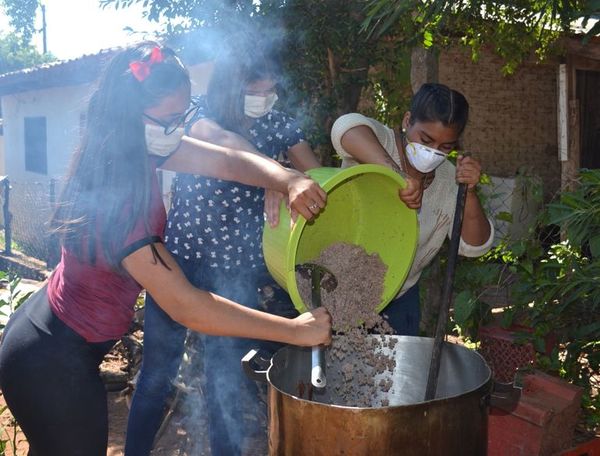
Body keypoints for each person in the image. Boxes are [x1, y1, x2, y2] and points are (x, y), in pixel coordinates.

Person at [0, 42, 331, 456]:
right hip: (50, 361)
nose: (179, 128)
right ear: (130, 115)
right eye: (171, 119)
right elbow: (187, 306)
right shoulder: (119, 198)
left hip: (46, 334)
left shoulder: (133, 146)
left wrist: (285, 179)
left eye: (183, 116)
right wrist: (294, 331)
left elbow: (227, 161)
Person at [125, 46, 321, 455]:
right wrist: (275, 173)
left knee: (226, 379)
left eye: (271, 90)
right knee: (156, 374)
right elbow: (226, 147)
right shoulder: (195, 116)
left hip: (238, 270)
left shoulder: (281, 125)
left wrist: (291, 179)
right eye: (256, 89)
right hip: (180, 262)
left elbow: (315, 174)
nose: (264, 99)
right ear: (234, 86)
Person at [330, 82, 494, 336]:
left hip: (399, 300)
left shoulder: (451, 181)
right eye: (425, 140)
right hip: (338, 288)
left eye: (446, 147)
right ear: (407, 120)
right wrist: (396, 175)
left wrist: (469, 193)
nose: (433, 152)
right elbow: (345, 127)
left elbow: (474, 246)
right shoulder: (381, 140)